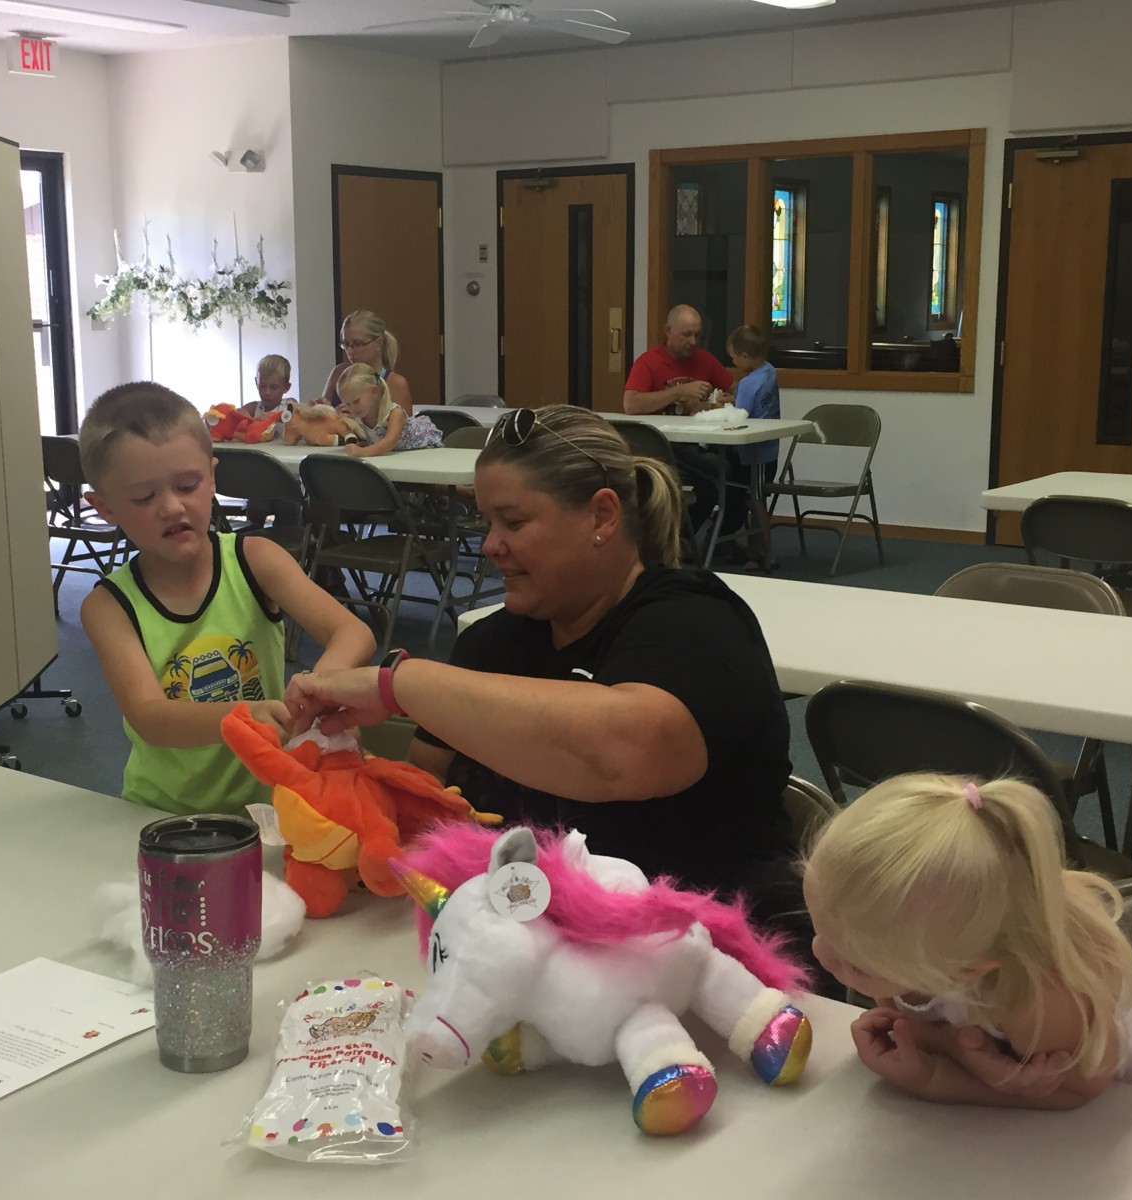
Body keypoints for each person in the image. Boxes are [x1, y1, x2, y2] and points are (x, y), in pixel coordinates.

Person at [283, 405, 805, 945]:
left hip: (710, 966)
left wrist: (397, 686)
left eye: (514, 521)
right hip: (529, 958)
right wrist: (339, 792)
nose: (489, 544)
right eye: (487, 521)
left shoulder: (698, 622)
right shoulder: (492, 642)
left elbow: (620, 752)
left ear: (603, 517)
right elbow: (431, 802)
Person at [802, 773, 1132, 1110]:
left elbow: (1074, 1097)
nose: (821, 954)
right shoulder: (927, 939)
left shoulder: (1040, 995)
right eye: (818, 927)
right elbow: (917, 1017)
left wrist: (934, 1078)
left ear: (966, 971)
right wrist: (938, 1042)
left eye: (857, 965)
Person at [78, 382, 374, 814]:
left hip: (273, 804)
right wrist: (246, 716)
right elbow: (150, 718)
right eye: (144, 497)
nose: (172, 507)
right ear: (104, 508)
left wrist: (317, 686)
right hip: (164, 812)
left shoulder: (255, 560)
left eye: (188, 485)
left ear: (213, 477)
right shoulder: (108, 607)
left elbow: (351, 631)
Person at [622, 304, 735, 532]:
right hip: (657, 447)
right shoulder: (649, 361)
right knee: (717, 471)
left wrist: (717, 404)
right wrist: (679, 392)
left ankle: (687, 537)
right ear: (668, 331)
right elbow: (631, 404)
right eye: (686, 335)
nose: (693, 341)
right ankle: (677, 538)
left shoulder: (704, 359)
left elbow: (735, 390)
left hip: (692, 443)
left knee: (726, 471)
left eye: (697, 335)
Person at [718, 325, 780, 570]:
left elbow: (740, 415)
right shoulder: (769, 372)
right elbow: (756, 405)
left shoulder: (746, 383)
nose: (732, 361)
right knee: (757, 498)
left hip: (754, 453)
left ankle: (768, 552)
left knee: (755, 501)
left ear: (744, 356)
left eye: (733, 357)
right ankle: (755, 553)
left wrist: (722, 406)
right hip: (770, 449)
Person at [318, 309, 414, 415]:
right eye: (346, 344)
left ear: (378, 343)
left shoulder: (395, 383)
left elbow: (404, 429)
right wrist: (320, 411)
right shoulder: (338, 373)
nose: (349, 351)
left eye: (358, 344)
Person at [336, 363, 443, 457]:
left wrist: (363, 452)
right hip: (398, 456)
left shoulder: (395, 413)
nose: (352, 408)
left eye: (356, 401)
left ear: (374, 392)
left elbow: (390, 441)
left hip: (427, 449)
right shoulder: (360, 417)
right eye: (347, 404)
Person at [240, 353, 293, 419]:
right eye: (262, 386)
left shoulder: (289, 405)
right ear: (256, 383)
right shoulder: (254, 408)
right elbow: (237, 412)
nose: (267, 392)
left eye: (274, 387)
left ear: (286, 387)